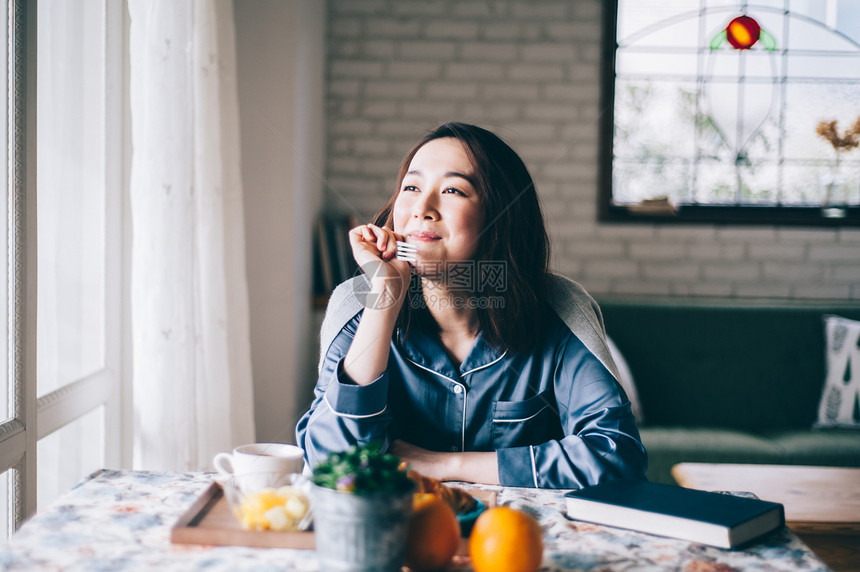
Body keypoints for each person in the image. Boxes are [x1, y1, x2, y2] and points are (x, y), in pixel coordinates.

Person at [296, 122, 647, 489]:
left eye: (452, 190)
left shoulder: (560, 311)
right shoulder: (356, 307)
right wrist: (384, 300)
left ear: (500, 217)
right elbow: (331, 463)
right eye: (411, 187)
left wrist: (446, 464)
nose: (422, 208)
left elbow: (617, 457)